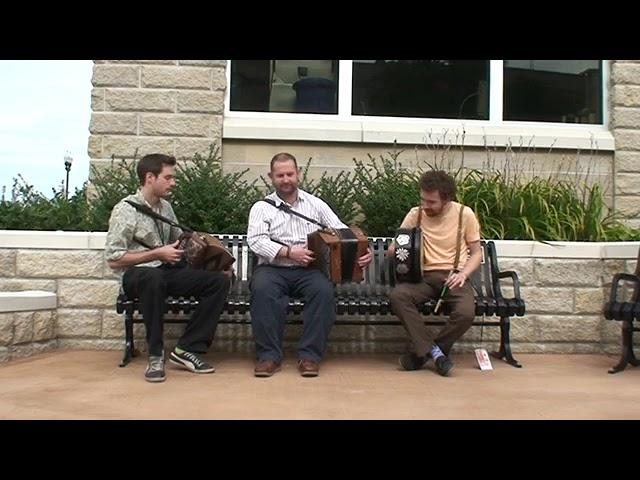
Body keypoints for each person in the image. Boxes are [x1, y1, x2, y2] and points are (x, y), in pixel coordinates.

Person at [105, 153, 230, 383]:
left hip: (165, 272)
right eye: (168, 177)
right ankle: (155, 354)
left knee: (218, 282)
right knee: (153, 278)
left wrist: (212, 261)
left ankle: (187, 349)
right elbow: (113, 258)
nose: (173, 183)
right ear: (150, 177)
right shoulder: (125, 210)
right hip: (136, 276)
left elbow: (177, 245)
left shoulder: (166, 208)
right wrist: (156, 253)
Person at [247, 152, 372, 378]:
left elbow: (341, 231)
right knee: (262, 290)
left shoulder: (316, 204)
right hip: (273, 268)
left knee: (323, 292)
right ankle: (269, 357)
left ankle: (310, 357)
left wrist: (362, 253)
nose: (286, 179)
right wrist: (287, 252)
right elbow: (256, 240)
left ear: (299, 174)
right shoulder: (261, 207)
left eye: (290, 174)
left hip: (309, 269)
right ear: (271, 177)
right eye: (280, 175)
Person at [389, 170, 482, 376]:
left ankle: (423, 353)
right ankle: (437, 354)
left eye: (431, 202)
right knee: (398, 296)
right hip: (422, 278)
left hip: (453, 276)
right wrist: (397, 249)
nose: (425, 206)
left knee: (466, 312)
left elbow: (476, 253)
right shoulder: (416, 214)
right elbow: (395, 246)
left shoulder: (463, 214)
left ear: (447, 199)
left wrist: (463, 274)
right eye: (423, 199)